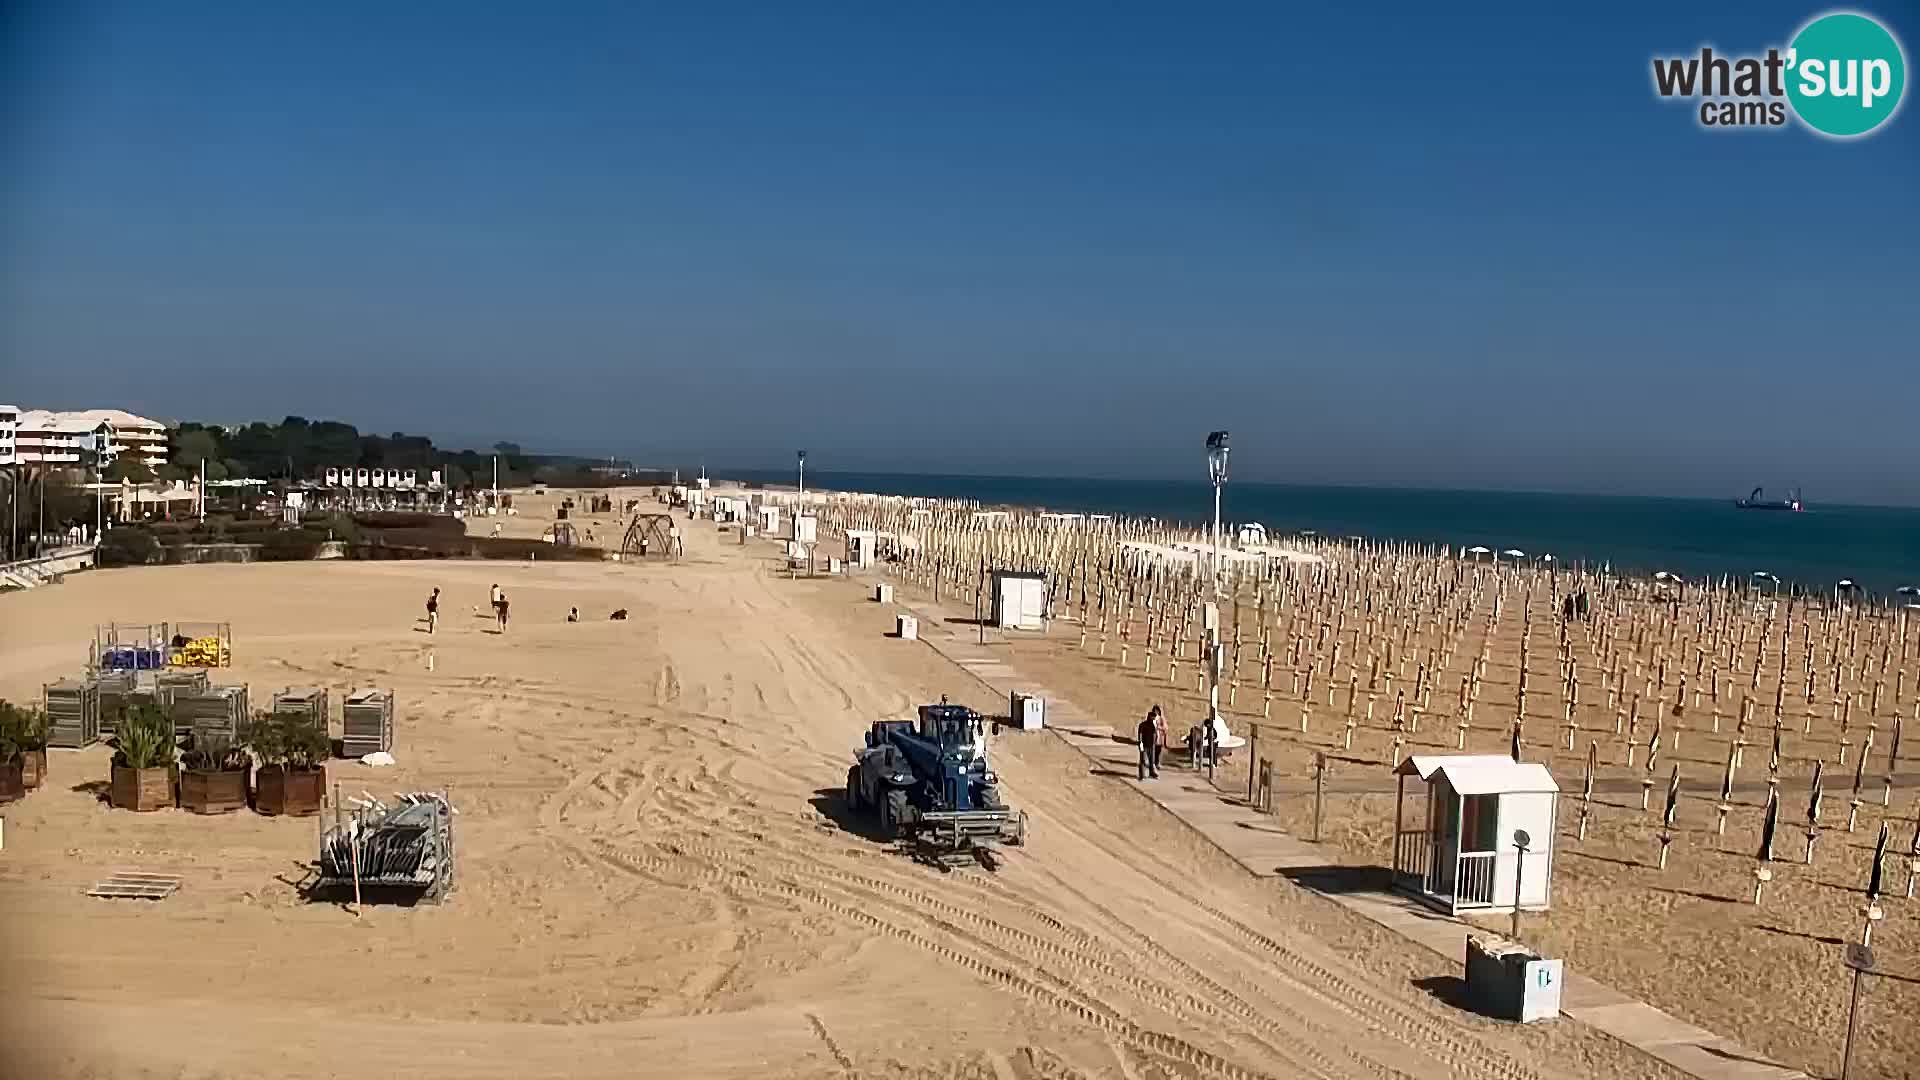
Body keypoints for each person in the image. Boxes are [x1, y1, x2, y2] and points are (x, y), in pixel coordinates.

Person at [1136, 706, 1162, 780]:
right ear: (1149, 716)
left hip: (1151, 745)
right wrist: (1140, 744)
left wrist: (1154, 743)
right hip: (1144, 745)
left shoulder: (1152, 726)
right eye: (1152, 716)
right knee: (1143, 761)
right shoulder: (1142, 725)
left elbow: (1154, 735)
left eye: (1154, 717)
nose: (1153, 718)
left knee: (1151, 761)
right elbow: (1140, 735)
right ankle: (1142, 775)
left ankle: (1152, 773)